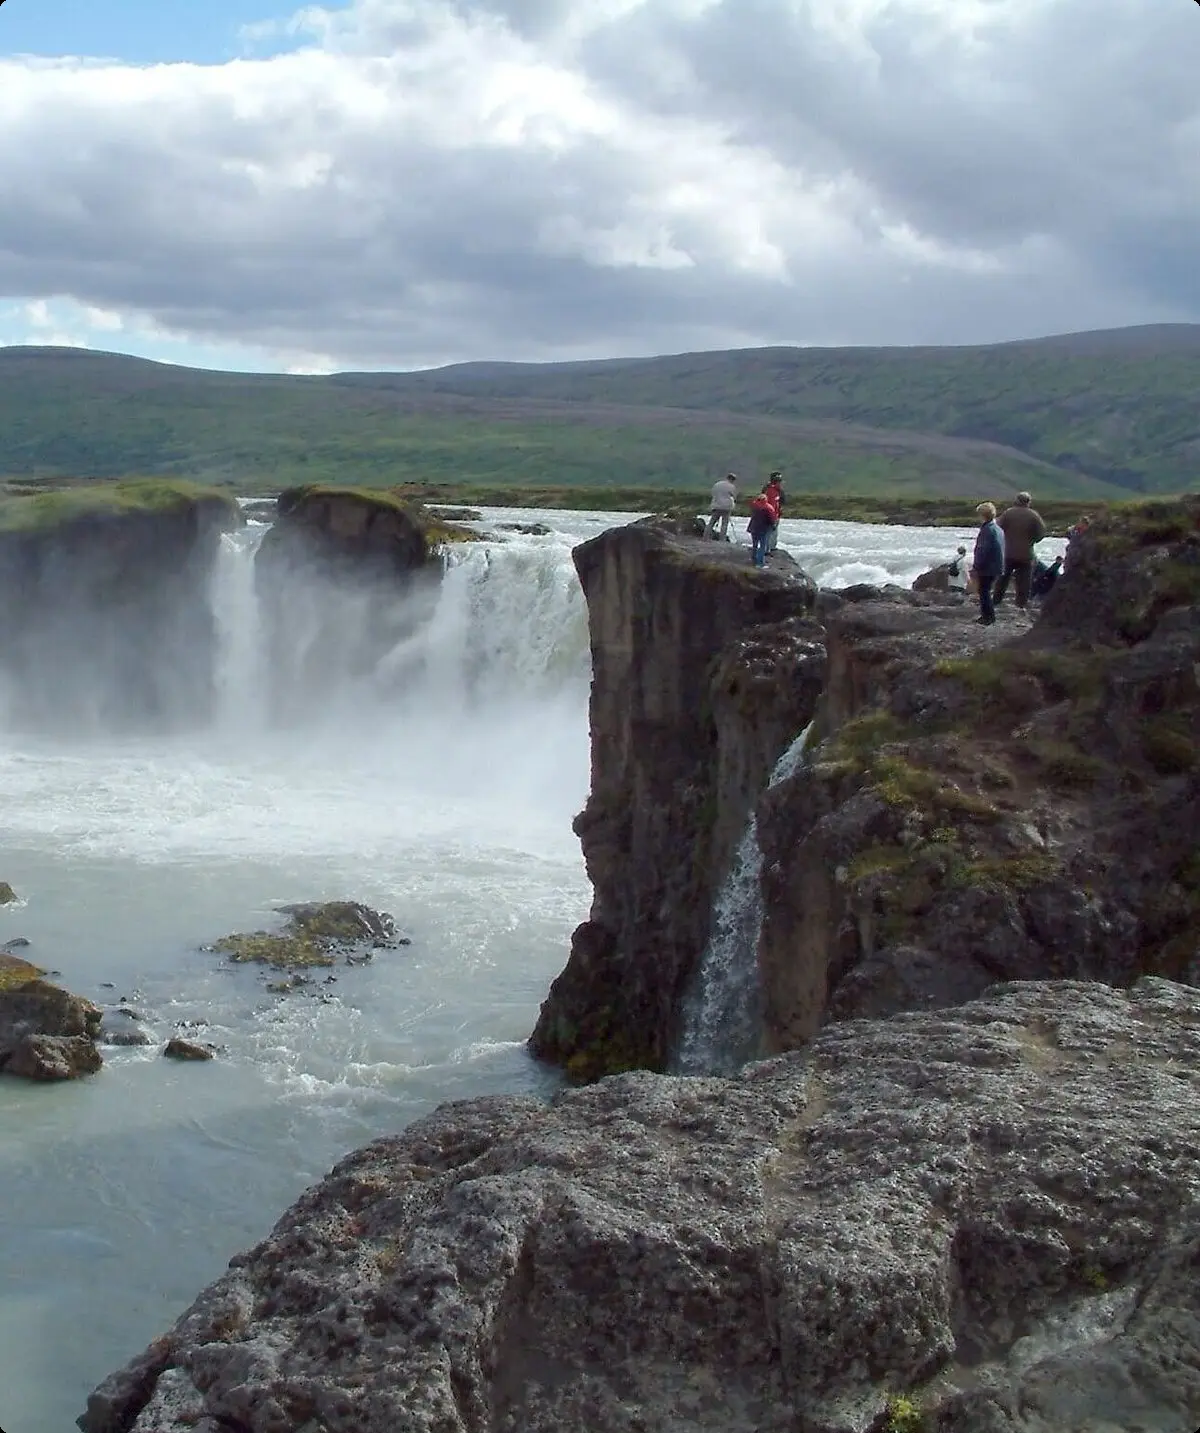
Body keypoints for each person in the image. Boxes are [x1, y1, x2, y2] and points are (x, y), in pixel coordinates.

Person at [994, 491, 1046, 611]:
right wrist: (1032, 541)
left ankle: (996, 601)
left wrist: (1004, 541)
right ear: (1028, 502)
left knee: (1002, 578)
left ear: (1017, 500)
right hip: (1026, 554)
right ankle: (1021, 605)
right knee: (1024, 581)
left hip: (1008, 553)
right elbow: (1042, 533)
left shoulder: (1008, 513)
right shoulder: (1034, 515)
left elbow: (998, 528)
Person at [972, 502, 1005, 625]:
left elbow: (982, 549)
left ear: (983, 515)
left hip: (988, 566)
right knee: (986, 590)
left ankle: (988, 617)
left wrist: (976, 565)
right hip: (997, 565)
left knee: (984, 591)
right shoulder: (997, 529)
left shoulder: (987, 530)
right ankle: (988, 616)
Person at [747, 484, 780, 568]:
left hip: (753, 528)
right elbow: (772, 519)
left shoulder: (754, 506)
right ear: (765, 500)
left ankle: (753, 559)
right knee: (762, 546)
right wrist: (773, 526)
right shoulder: (768, 508)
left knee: (754, 545)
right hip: (764, 529)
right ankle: (760, 563)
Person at [707, 473, 738, 541]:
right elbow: (734, 496)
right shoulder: (731, 486)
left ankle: (706, 537)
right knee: (724, 524)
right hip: (726, 507)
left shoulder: (717, 484)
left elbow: (713, 493)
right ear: (732, 479)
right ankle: (722, 539)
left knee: (712, 522)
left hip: (716, 506)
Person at [765, 471, 784, 552]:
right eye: (779, 481)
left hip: (769, 513)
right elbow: (783, 500)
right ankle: (770, 547)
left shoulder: (766, 488)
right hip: (773, 513)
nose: (780, 483)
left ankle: (768, 547)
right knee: (772, 531)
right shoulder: (778, 490)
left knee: (769, 531)